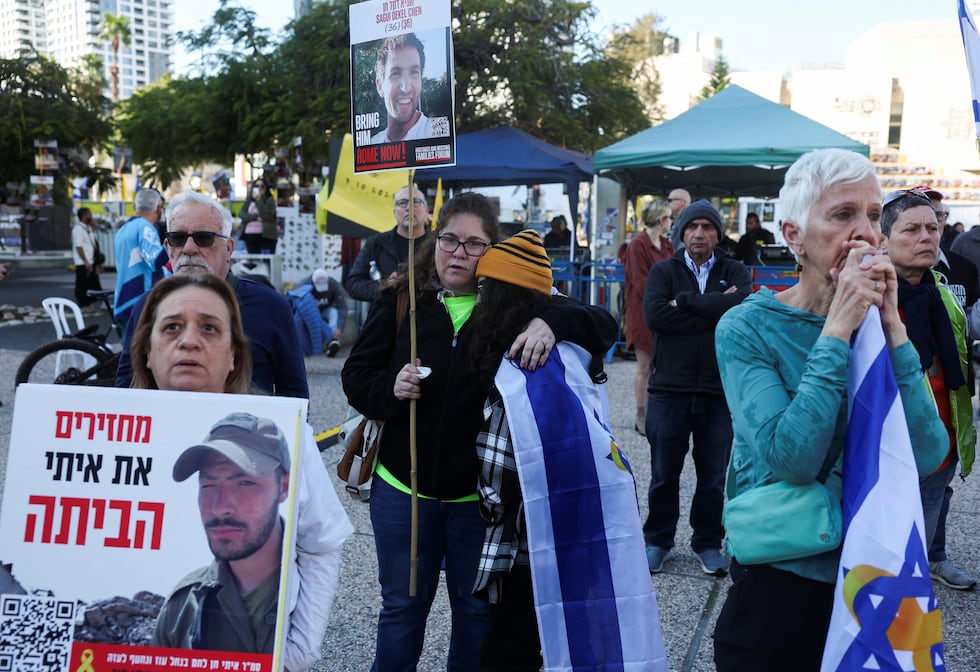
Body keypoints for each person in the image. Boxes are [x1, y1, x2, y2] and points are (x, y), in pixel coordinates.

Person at [341, 193, 616, 672]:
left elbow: (603, 324)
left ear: (492, 250)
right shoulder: (402, 298)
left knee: (474, 616)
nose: (459, 253)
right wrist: (391, 387)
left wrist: (549, 321)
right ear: (434, 241)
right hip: (405, 494)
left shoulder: (509, 305)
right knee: (402, 611)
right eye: (450, 240)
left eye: (474, 244)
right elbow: (356, 378)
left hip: (479, 503)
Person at [711, 149, 948, 671]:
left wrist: (893, 331)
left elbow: (930, 454)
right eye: (842, 216)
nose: (864, 233)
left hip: (874, 572)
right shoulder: (748, 328)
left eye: (871, 214)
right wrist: (837, 329)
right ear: (794, 235)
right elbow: (791, 457)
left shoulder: (880, 323)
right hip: (783, 582)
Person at [132, 275, 352, 669]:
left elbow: (323, 541)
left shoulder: (287, 431)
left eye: (209, 327)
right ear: (147, 350)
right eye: (171, 327)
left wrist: (301, 648)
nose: (188, 341)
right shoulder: (183, 602)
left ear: (234, 355)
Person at [468, 231, 631, 671]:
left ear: (503, 294)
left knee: (510, 649)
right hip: (574, 521)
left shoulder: (526, 356)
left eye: (487, 288)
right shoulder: (564, 346)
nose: (479, 297)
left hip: (528, 533)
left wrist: (486, 508)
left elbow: (498, 459)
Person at [642, 199, 751, 576]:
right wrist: (714, 307)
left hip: (718, 391)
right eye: (692, 227)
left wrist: (686, 303)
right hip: (669, 389)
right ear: (681, 232)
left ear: (718, 234)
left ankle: (707, 542)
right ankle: (658, 539)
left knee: (713, 477)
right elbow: (656, 316)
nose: (699, 233)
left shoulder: (735, 269)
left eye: (707, 227)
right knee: (663, 473)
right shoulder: (662, 271)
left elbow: (739, 313)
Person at [116, 189, 308, 398]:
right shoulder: (147, 306)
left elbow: (294, 395)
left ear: (229, 248)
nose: (189, 248)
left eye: (203, 238)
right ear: (168, 248)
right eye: (178, 238)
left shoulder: (271, 307)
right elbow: (126, 391)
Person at [880, 190, 977, 591]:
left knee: (918, 545)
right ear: (883, 238)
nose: (926, 237)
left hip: (941, 439)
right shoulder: (868, 297)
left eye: (933, 228)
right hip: (886, 442)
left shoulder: (942, 294)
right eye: (912, 229)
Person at [624, 200, 675, 436]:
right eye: (669, 218)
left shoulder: (667, 245)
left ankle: (658, 412)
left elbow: (676, 273)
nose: (671, 222)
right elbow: (640, 282)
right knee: (644, 367)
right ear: (660, 219)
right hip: (644, 312)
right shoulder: (638, 245)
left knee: (661, 366)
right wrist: (666, 298)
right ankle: (641, 414)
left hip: (665, 310)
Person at [344, 185, 432, 302]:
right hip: (385, 317)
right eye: (402, 203)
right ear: (394, 212)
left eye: (415, 202)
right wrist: (385, 287)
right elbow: (353, 284)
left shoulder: (438, 243)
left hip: (428, 316)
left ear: (426, 210)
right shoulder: (376, 243)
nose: (409, 208)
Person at [113, 188, 168, 325]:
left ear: (134, 206)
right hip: (141, 301)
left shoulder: (123, 230)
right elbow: (155, 261)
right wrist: (171, 242)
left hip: (123, 299)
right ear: (159, 207)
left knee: (129, 346)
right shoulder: (146, 228)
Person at [370, 33, 434, 144]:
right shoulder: (372, 143)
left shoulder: (437, 132)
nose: (405, 88)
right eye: (395, 74)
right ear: (380, 86)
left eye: (414, 72)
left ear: (421, 81)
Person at [288, 268, 348, 357]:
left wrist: (340, 327)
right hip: (309, 312)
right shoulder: (304, 284)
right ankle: (328, 339)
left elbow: (342, 306)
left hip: (325, 309)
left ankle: (333, 341)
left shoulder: (333, 284)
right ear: (313, 281)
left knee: (334, 312)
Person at [72, 207, 103, 308]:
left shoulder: (87, 228)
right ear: (84, 215)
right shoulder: (78, 229)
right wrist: (85, 261)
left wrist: (94, 224)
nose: (91, 216)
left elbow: (96, 229)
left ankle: (97, 301)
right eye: (89, 214)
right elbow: (79, 246)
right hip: (83, 262)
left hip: (91, 260)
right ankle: (83, 304)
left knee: (93, 282)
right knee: (82, 284)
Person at [239, 178, 279, 254]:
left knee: (266, 262)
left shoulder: (270, 200)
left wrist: (259, 200)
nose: (260, 188)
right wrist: (255, 216)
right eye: (257, 186)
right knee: (254, 262)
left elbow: (266, 216)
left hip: (266, 236)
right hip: (250, 235)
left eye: (262, 186)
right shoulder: (249, 200)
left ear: (266, 188)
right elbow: (242, 214)